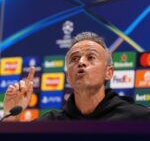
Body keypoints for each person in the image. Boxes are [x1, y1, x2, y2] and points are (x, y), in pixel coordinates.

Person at [3, 32, 150, 121]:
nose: (80, 62)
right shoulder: (49, 124)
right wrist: (10, 116)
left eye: (91, 57)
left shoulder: (139, 119)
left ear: (109, 72)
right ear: (68, 76)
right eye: (74, 59)